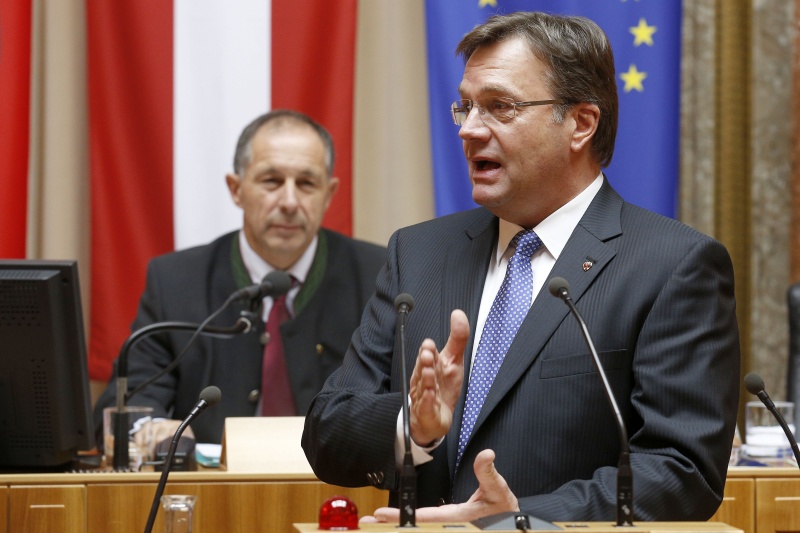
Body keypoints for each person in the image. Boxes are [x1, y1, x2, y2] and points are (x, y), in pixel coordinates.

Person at [302, 12, 740, 523]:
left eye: (498, 107)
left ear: (581, 123)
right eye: (465, 106)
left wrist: (517, 518)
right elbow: (326, 432)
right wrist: (413, 429)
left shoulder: (673, 265)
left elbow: (683, 471)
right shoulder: (417, 253)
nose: (468, 130)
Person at [94, 110, 386, 446]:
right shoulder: (176, 282)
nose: (289, 202)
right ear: (236, 189)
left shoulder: (378, 276)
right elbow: (128, 408)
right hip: (214, 493)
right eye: (271, 181)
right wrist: (153, 429)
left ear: (329, 194)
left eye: (306, 183)